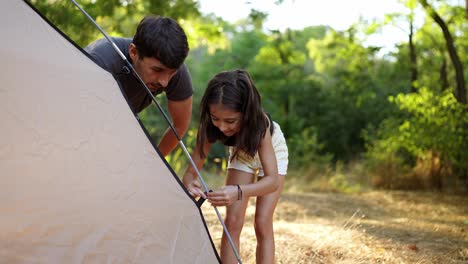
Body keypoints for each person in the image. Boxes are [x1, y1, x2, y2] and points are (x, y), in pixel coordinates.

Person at [182, 69, 289, 264]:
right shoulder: (209, 126)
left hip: (273, 149)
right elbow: (190, 173)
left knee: (262, 222)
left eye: (230, 121)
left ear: (246, 113)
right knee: (231, 222)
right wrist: (190, 185)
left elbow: (272, 181)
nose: (222, 127)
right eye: (216, 119)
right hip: (242, 153)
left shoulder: (260, 124)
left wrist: (238, 192)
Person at [84, 15, 192, 157]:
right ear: (133, 52)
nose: (164, 81)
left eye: (171, 73)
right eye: (157, 70)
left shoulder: (176, 71)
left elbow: (180, 125)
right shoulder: (101, 61)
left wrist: (153, 162)